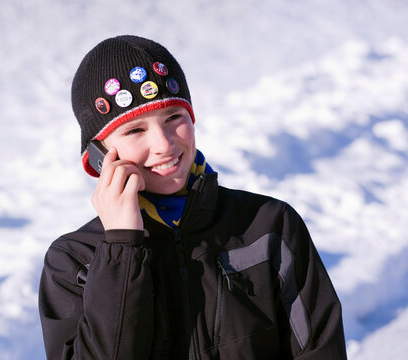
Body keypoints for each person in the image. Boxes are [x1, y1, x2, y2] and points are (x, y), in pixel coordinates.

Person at [38, 35, 347, 359]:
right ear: (98, 153)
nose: (164, 144)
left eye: (174, 118)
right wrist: (121, 249)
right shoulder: (73, 262)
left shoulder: (270, 226)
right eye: (135, 130)